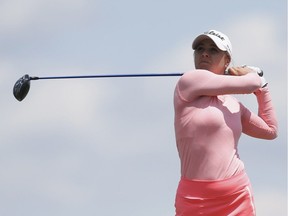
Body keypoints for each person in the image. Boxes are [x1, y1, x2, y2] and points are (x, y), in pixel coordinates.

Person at [173, 30, 278, 216]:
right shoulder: (189, 81)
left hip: (236, 194)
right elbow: (250, 83)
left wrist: (264, 90)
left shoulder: (233, 105)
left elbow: (270, 131)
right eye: (200, 49)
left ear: (227, 60)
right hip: (194, 198)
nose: (204, 53)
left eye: (213, 50)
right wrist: (254, 75)